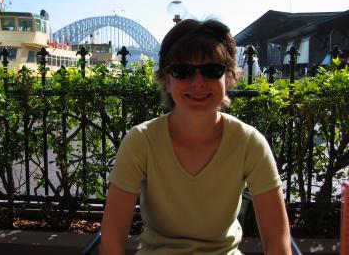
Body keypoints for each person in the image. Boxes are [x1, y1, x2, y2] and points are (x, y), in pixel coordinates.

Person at [99, 18, 292, 254]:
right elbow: (111, 240)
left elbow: (278, 243)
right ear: (167, 81)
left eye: (212, 70)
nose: (198, 83)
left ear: (228, 77)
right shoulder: (140, 141)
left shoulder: (249, 143)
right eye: (183, 71)